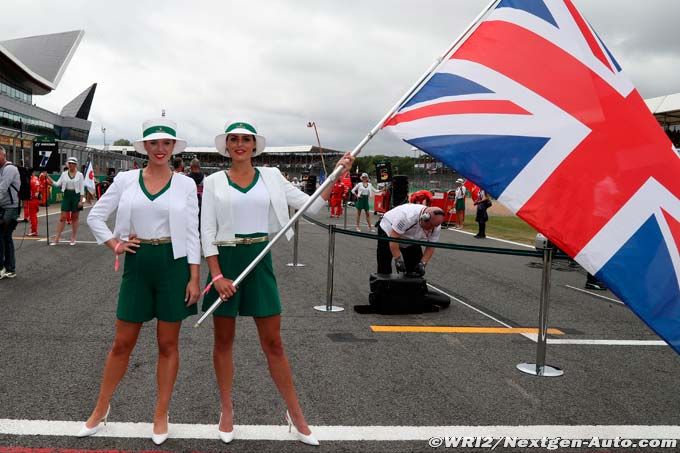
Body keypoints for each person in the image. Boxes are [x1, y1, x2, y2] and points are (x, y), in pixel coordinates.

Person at [201, 119, 354, 445]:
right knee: (224, 342)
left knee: (274, 343)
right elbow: (206, 232)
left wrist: (337, 174)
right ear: (226, 145)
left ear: (254, 145)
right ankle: (226, 409)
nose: (240, 144)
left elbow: (313, 204)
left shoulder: (271, 176)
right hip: (226, 263)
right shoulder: (213, 181)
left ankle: (295, 414)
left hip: (259, 258)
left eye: (246, 139)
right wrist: (216, 275)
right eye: (234, 139)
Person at [83, 118, 200, 445]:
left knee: (168, 344)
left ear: (174, 147)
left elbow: (192, 232)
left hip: (173, 266)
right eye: (154, 143)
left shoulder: (186, 185)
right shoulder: (124, 180)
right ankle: (100, 409)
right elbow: (94, 216)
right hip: (137, 262)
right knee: (122, 343)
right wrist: (114, 244)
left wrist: (194, 277)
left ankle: (161, 413)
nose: (160, 149)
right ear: (145, 147)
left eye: (167, 143)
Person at [376, 203, 444, 276]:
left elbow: (431, 246)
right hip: (389, 230)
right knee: (384, 263)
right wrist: (398, 259)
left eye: (434, 227)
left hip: (411, 238)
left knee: (415, 269)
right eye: (431, 226)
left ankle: (410, 286)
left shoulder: (436, 226)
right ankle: (383, 283)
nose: (432, 229)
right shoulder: (408, 216)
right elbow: (394, 237)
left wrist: (423, 263)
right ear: (424, 218)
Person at [51, 157, 85, 245]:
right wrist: (48, 177)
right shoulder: (64, 174)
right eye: (69, 163)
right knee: (62, 217)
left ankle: (73, 237)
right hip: (66, 196)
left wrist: (81, 201)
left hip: (76, 196)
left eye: (73, 163)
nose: (71, 165)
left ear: (76, 164)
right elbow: (57, 184)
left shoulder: (80, 175)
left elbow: (82, 189)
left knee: (75, 217)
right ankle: (57, 238)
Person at [0, 146, 20, 279]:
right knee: (6, 237)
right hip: (3, 207)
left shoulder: (10, 168)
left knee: (1, 234)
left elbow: (2, 188)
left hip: (11, 208)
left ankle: (2, 267)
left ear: (3, 155)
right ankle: (10, 268)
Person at [187, 158, 205, 228]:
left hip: (190, 202)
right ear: (199, 167)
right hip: (201, 201)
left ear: (191, 167)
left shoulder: (187, 178)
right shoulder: (204, 177)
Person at [23, 168, 40, 236]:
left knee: (32, 216)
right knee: (34, 216)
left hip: (31, 199)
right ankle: (34, 230)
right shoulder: (36, 178)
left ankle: (34, 231)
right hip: (36, 199)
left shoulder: (30, 181)